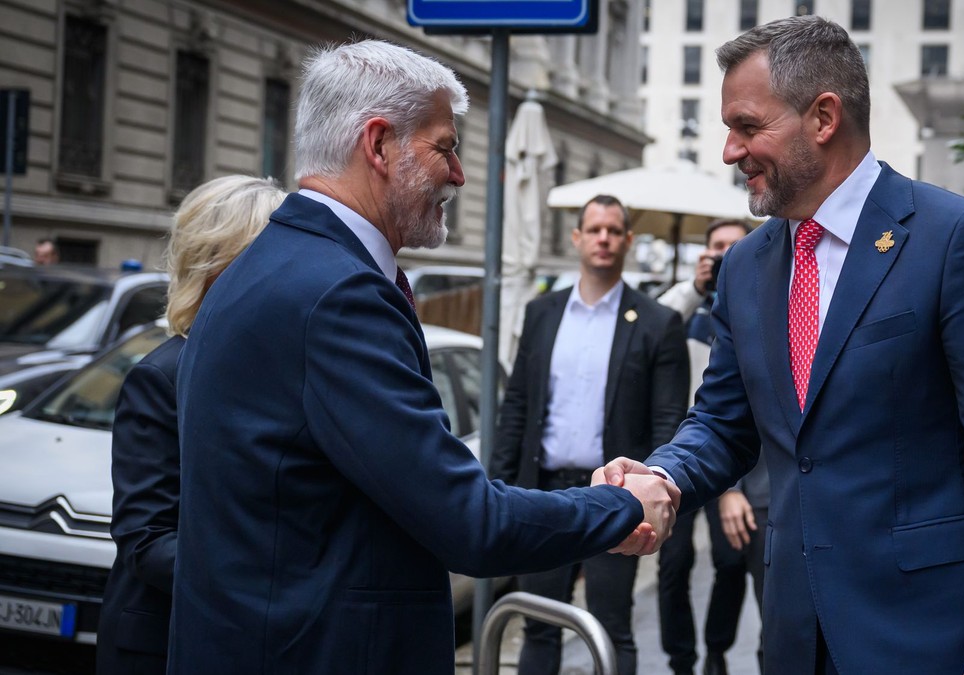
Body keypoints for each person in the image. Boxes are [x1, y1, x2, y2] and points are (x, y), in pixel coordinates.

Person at [169, 41, 677, 675]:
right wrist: (621, 506)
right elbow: (470, 523)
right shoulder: (339, 294)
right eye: (446, 147)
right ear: (378, 145)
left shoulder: (270, 264)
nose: (460, 174)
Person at [600, 15, 964, 675]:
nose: (730, 151)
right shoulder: (747, 265)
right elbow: (724, 424)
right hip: (793, 633)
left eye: (747, 126)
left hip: (931, 640)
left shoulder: (957, 240)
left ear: (823, 117)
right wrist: (662, 474)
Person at [491, 194, 690, 675]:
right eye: (594, 229)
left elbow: (668, 422)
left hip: (613, 495)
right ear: (578, 238)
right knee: (538, 622)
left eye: (613, 230)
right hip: (542, 491)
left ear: (627, 241)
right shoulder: (542, 314)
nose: (603, 238)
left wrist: (653, 492)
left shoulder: (658, 323)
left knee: (609, 624)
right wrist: (498, 483)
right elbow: (517, 404)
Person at [96, 175, 286, 675]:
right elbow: (147, 538)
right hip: (162, 643)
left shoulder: (280, 366)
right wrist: (269, 578)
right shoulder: (162, 375)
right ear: (215, 269)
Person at [656, 218, 766, 675]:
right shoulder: (687, 306)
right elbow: (651, 325)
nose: (724, 257)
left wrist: (732, 486)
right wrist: (694, 287)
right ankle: (681, 658)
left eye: (733, 248)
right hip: (677, 451)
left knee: (729, 559)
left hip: (726, 456)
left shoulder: (754, 300)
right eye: (717, 250)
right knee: (674, 564)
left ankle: (717, 653)